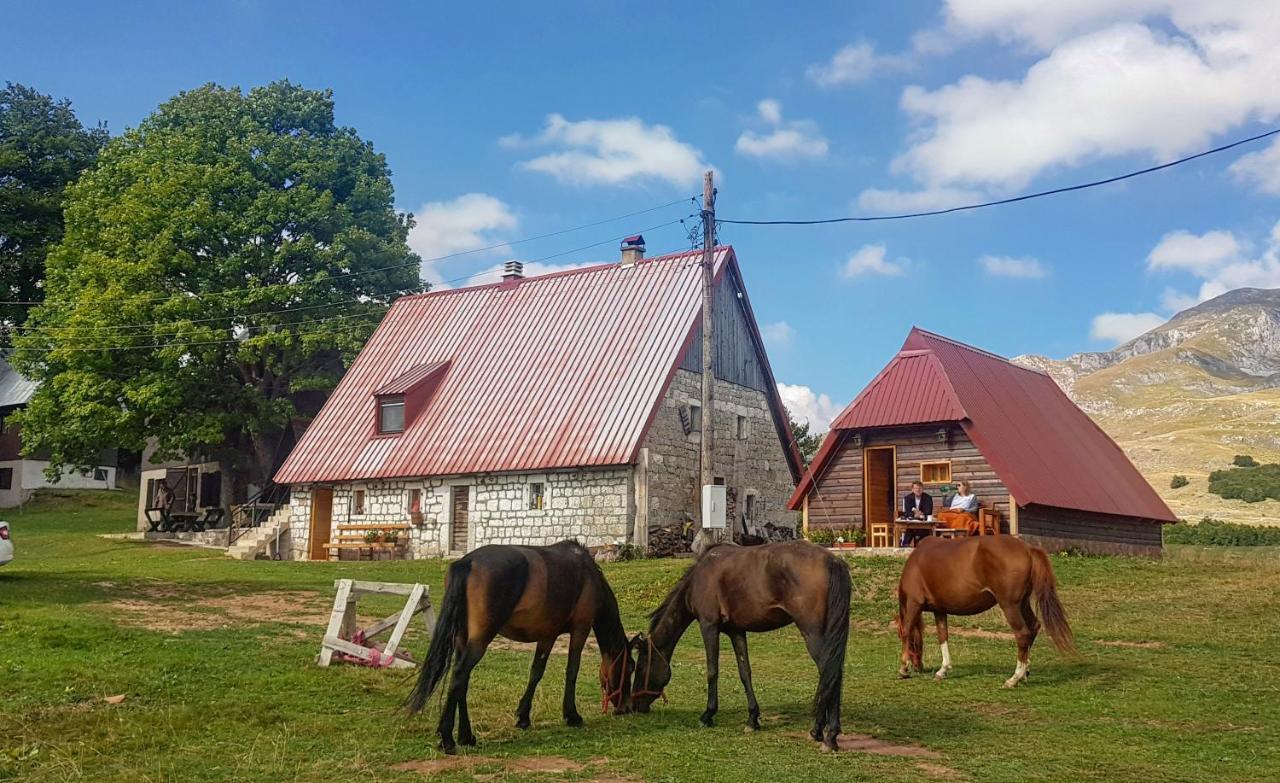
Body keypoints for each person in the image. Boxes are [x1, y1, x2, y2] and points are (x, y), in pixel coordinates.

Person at [899, 481, 934, 546]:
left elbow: (929, 511)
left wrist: (921, 515)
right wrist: (915, 515)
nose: (918, 490)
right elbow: (908, 512)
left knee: (923, 530)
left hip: (924, 523)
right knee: (910, 528)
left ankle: (922, 546)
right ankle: (905, 545)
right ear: (912, 489)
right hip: (912, 522)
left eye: (920, 488)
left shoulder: (928, 498)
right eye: (916, 488)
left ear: (922, 489)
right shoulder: (908, 498)